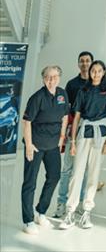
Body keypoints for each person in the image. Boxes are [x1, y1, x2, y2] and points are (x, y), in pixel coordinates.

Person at [59, 60, 106, 230]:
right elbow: (76, 117)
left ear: (104, 72)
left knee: (93, 175)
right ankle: (70, 212)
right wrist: (73, 142)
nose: (96, 73)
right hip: (83, 134)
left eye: (99, 71)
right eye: (94, 71)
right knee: (77, 173)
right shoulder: (83, 90)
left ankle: (86, 212)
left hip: (100, 136)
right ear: (90, 72)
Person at [21, 66, 69, 236]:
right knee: (30, 182)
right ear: (43, 78)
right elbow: (26, 122)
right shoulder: (37, 98)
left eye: (55, 76)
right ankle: (28, 220)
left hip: (53, 145)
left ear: (59, 78)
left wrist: (62, 137)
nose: (51, 79)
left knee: (54, 176)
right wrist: (28, 144)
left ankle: (40, 212)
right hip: (35, 145)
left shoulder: (62, 94)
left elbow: (64, 116)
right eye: (48, 77)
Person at [54, 50, 93, 218]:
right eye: (82, 61)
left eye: (87, 61)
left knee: (83, 170)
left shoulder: (96, 84)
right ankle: (61, 203)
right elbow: (66, 111)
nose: (85, 63)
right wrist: (66, 134)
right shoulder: (71, 84)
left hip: (89, 133)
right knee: (67, 169)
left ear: (91, 63)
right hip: (73, 132)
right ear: (78, 64)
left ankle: (80, 202)